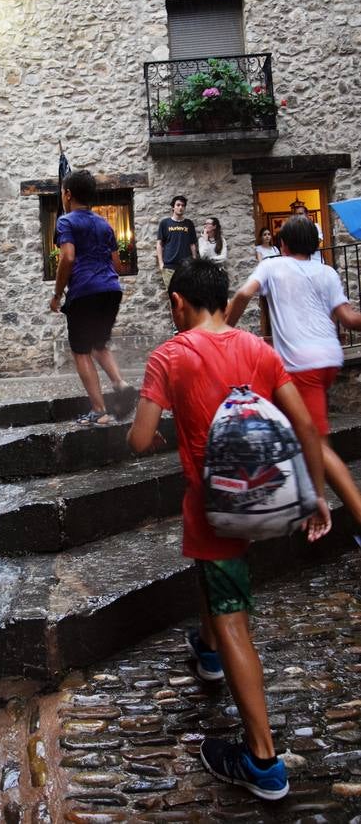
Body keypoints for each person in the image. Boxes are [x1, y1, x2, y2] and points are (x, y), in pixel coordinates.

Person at [128, 258, 331, 801]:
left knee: (233, 615)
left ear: (178, 303)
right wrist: (316, 496)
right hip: (265, 500)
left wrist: (147, 416)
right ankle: (208, 651)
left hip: (217, 510)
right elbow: (305, 425)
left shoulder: (169, 356)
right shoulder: (259, 352)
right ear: (223, 299)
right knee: (218, 585)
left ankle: (263, 761)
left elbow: (142, 440)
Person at [228, 214, 361, 531]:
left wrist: (222, 328)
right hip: (329, 359)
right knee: (302, 432)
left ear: (282, 244)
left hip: (302, 366)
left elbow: (244, 294)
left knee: (317, 442)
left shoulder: (272, 265)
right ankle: (307, 497)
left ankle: (348, 511)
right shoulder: (326, 271)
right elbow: (349, 318)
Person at [50, 169, 133, 425]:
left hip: (85, 292)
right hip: (111, 290)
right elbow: (117, 264)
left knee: (81, 351)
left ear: (67, 194)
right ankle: (121, 384)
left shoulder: (66, 221)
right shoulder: (104, 224)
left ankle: (99, 411)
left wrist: (57, 294)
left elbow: (68, 257)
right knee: (98, 345)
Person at [156, 195, 198, 287]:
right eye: (178, 205)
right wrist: (161, 263)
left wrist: (194, 261)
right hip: (169, 266)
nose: (180, 207)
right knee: (172, 295)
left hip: (186, 266)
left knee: (187, 295)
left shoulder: (189, 223)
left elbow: (192, 244)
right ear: (173, 207)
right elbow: (159, 244)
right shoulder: (165, 223)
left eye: (183, 205)